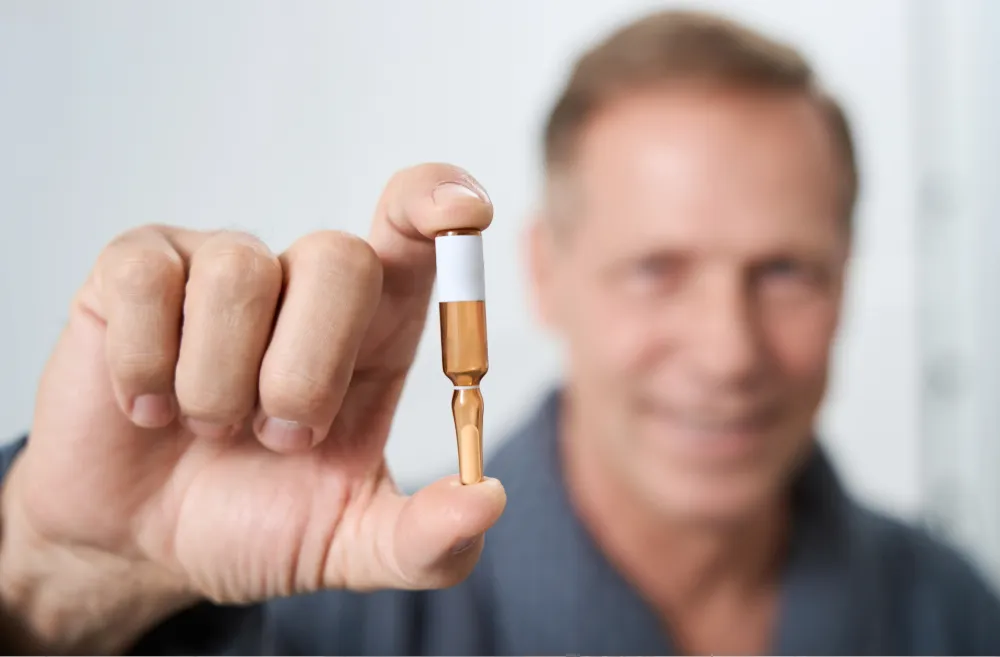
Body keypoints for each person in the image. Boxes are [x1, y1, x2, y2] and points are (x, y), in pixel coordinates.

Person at [1, 8, 998, 655]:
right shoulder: (312, 621)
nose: (728, 352)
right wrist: (67, 584)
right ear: (543, 272)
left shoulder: (949, 613)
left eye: (784, 272)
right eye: (655, 269)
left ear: (846, 276)